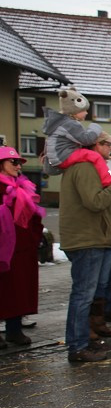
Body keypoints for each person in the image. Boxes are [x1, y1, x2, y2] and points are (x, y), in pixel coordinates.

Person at [59, 132, 111, 363]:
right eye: (107, 144)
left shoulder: (85, 165)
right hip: (87, 238)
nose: (110, 149)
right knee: (83, 294)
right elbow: (94, 201)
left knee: (85, 293)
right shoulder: (85, 167)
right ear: (95, 145)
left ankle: (82, 341)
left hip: (90, 237)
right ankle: (77, 346)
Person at [0, 147, 45, 348]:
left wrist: (35, 237)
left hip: (24, 247)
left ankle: (14, 329)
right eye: (13, 163)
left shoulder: (24, 187)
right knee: (4, 289)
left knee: (20, 289)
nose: (18, 166)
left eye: (19, 163)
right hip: (4, 249)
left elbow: (34, 215)